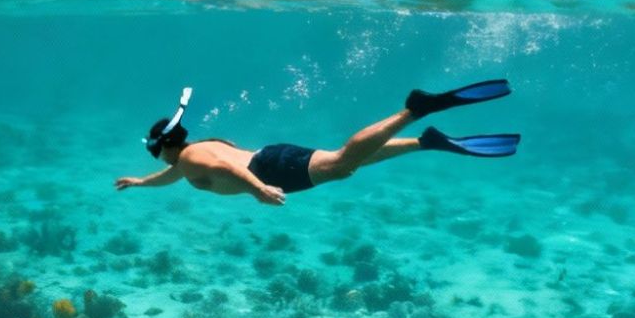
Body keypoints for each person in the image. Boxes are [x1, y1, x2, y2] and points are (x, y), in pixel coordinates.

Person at [115, 81, 520, 205]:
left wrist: (259, 190)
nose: (159, 158)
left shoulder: (191, 159)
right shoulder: (193, 152)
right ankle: (424, 142)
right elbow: (172, 176)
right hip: (271, 157)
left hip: (268, 171)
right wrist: (138, 181)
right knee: (345, 166)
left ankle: (412, 112)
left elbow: (225, 170)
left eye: (155, 150)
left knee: (344, 162)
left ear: (166, 144)